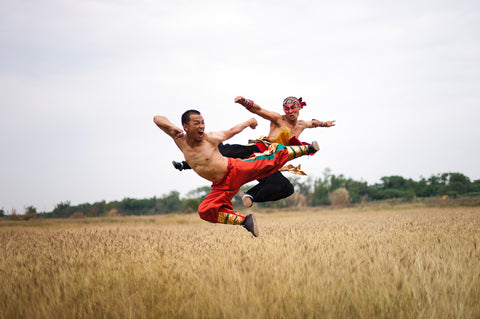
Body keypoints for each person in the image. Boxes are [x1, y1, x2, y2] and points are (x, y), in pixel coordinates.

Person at [153, 109, 319, 237]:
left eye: (203, 122)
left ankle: (307, 148)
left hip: (234, 170)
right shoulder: (179, 138)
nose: (202, 126)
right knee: (205, 211)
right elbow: (157, 119)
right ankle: (245, 221)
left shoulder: (210, 138)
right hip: (221, 187)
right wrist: (173, 129)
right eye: (196, 123)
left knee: (267, 162)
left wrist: (247, 122)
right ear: (186, 127)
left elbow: (232, 131)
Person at [172, 96, 335, 207]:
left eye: (293, 109)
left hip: (269, 162)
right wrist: (245, 102)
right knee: (225, 149)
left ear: (299, 109)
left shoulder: (302, 124)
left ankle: (250, 195)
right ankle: (186, 163)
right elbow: (259, 110)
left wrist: (324, 124)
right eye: (287, 109)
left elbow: (313, 123)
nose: (290, 112)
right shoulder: (278, 119)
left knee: (285, 188)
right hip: (257, 150)